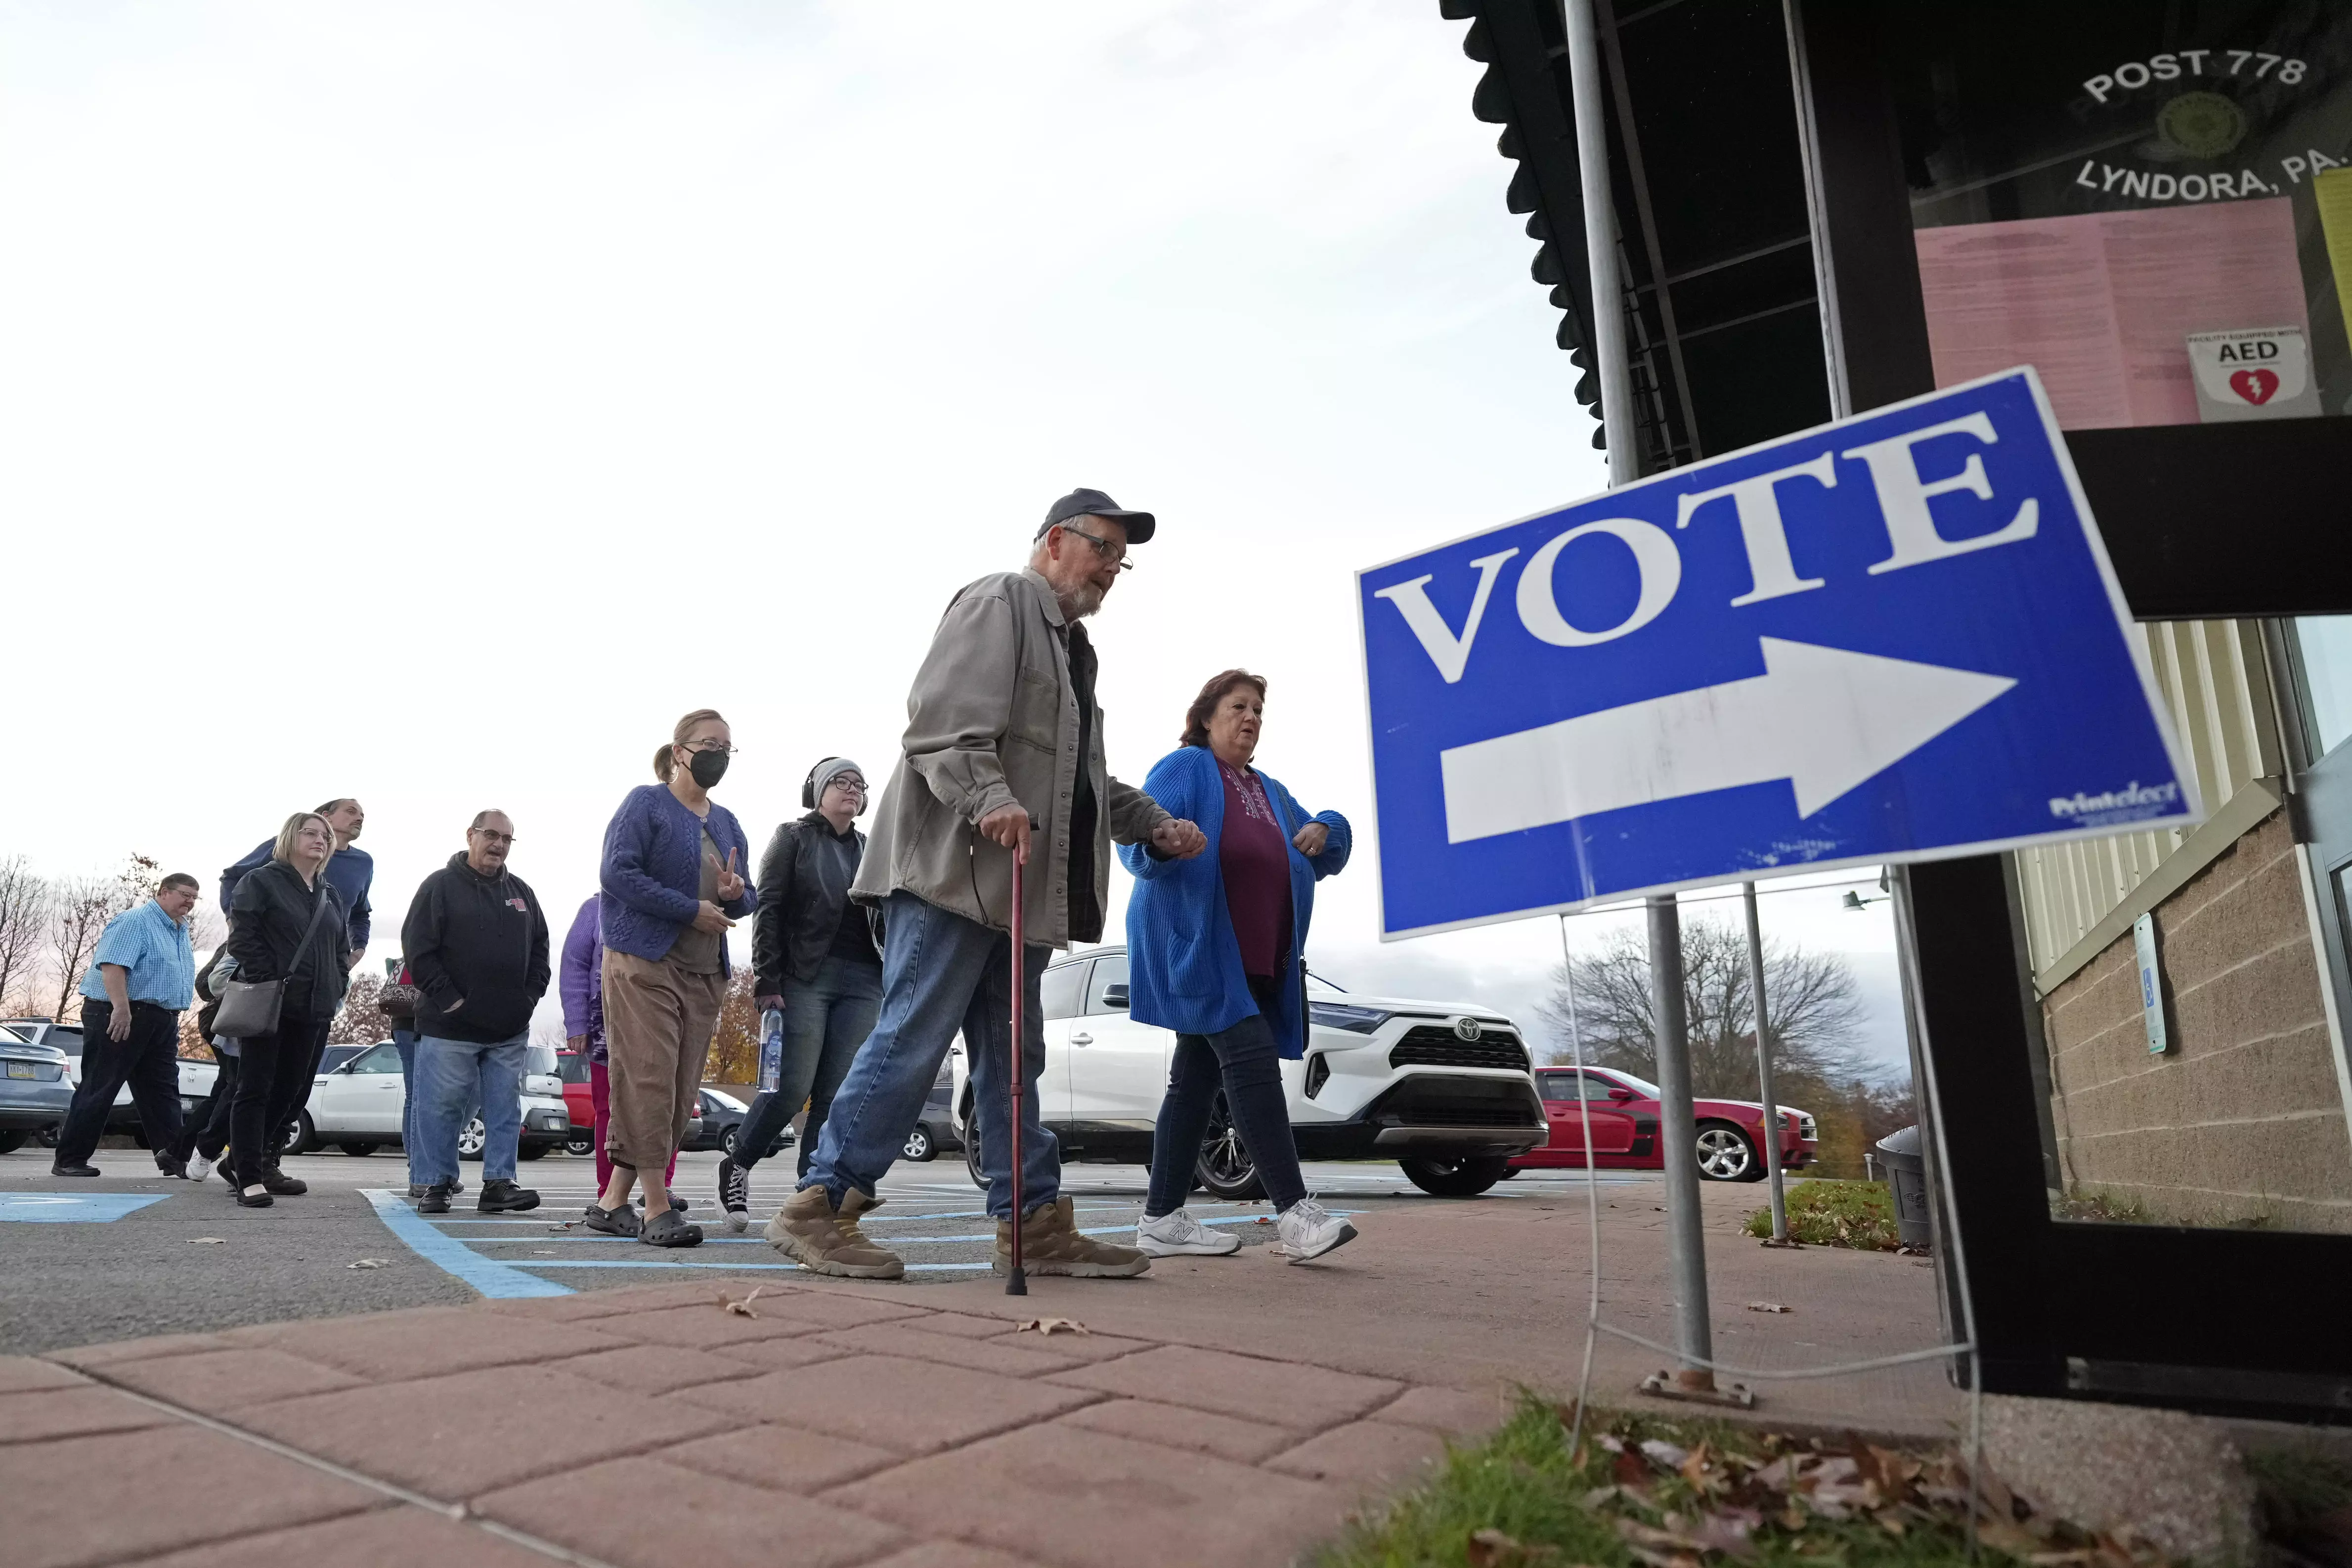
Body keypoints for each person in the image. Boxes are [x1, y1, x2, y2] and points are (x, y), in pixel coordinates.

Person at [769, 488, 1206, 1281]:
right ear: (1050, 543)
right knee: (911, 1038)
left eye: (1121, 557)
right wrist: (991, 798)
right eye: (1100, 548)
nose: (1111, 568)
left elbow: (1078, 779)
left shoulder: (1074, 650)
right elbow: (940, 725)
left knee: (1016, 1059)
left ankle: (1030, 1220)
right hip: (951, 878)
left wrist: (1149, 822)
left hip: (1017, 894)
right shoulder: (1002, 599)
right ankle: (820, 1204)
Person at [1123, 670, 1358, 1262]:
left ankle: (1161, 1220)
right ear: (1207, 717)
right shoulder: (1187, 769)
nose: (1251, 717)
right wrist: (1164, 839)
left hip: (1257, 961)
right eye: (1238, 706)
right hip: (1195, 947)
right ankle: (1296, 1213)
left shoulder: (1270, 791)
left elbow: (1330, 844)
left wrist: (1325, 825)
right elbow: (1134, 839)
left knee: (1193, 1083)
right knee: (1249, 1057)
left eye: (1259, 709)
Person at [591, 709, 755, 1248]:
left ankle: (612, 1201)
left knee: (679, 1092)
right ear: (680, 750)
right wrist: (689, 909)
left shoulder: (727, 821)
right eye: (710, 743)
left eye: (729, 748)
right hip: (644, 961)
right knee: (649, 1079)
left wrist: (735, 895)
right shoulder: (646, 803)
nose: (720, 755)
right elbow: (617, 873)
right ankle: (656, 1208)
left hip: (703, 970)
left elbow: (748, 895)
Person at [717, 757, 883, 1230]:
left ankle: (812, 1198)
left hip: (864, 981)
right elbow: (768, 907)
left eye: (858, 784)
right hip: (806, 975)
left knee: (835, 1097)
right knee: (792, 1086)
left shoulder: (870, 847)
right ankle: (737, 1165)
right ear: (816, 789)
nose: (851, 789)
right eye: (840, 781)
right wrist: (767, 979)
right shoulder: (793, 836)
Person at [401, 810, 551, 1216]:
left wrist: (530, 997)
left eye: (507, 838)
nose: (499, 845)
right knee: (442, 1107)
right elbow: (418, 950)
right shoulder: (440, 887)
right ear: (471, 835)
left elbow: (540, 949)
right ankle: (437, 1183)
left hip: (508, 1028)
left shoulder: (522, 893)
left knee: (505, 1108)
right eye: (491, 835)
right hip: (449, 1027)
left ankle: (499, 1183)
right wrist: (450, 1000)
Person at [223, 813, 352, 1208]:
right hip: (271, 1002)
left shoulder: (330, 893)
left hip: (315, 1007)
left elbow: (340, 947)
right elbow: (242, 938)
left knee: (292, 1092)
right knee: (255, 1088)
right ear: (290, 838)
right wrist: (271, 978)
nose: (320, 839)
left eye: (325, 835)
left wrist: (338, 981)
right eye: (310, 832)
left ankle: (257, 1159)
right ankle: (248, 1176)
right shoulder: (261, 881)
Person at [50, 874, 201, 1179]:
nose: (189, 902)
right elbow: (112, 966)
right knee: (101, 1085)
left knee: (162, 1091)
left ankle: (174, 1157)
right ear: (163, 892)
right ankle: (70, 1159)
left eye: (194, 898)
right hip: (120, 1012)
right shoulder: (136, 921)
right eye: (184, 894)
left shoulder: (179, 930)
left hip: (162, 1018)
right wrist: (121, 1009)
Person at [560, 895, 677, 1215]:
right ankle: (608, 1192)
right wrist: (577, 1022)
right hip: (605, 1023)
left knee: (668, 1104)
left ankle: (660, 1187)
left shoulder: (671, 904)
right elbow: (574, 966)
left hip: (660, 1017)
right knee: (608, 1110)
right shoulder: (593, 910)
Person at [221, 798, 373, 971]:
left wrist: (359, 949)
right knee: (219, 983)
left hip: (325, 961)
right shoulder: (289, 845)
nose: (360, 819)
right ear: (327, 817)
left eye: (362, 815)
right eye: (351, 812)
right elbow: (233, 877)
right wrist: (233, 921)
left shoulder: (363, 863)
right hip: (267, 952)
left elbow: (360, 912)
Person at [172, 944, 237, 1182]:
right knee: (237, 1087)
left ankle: (178, 1152)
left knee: (226, 1090)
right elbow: (204, 984)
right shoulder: (241, 938)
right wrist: (245, 991)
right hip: (227, 1019)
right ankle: (207, 1150)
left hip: (228, 1020)